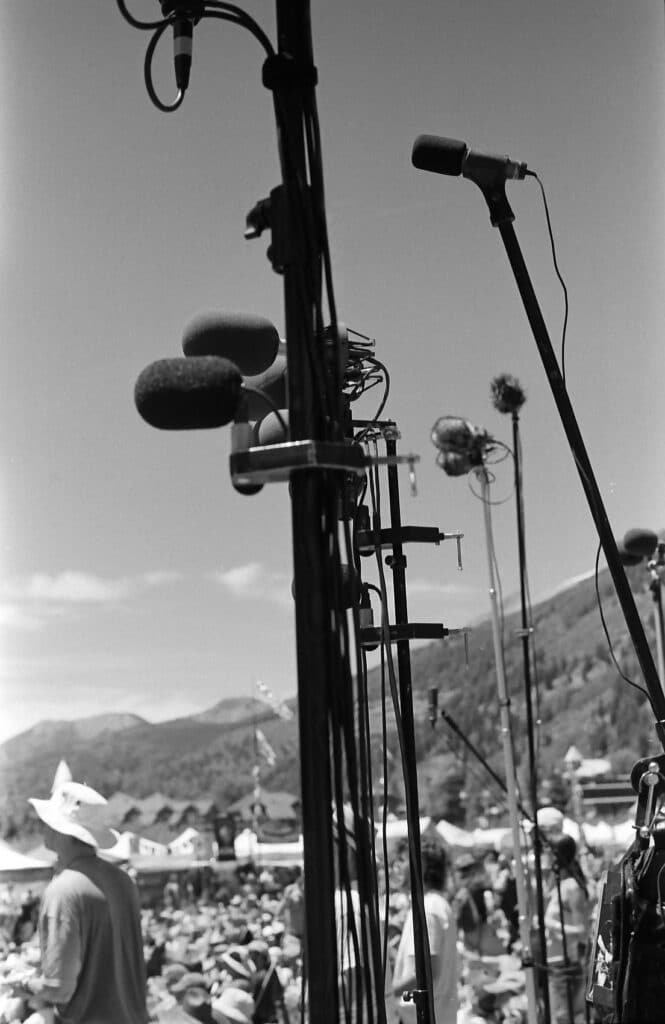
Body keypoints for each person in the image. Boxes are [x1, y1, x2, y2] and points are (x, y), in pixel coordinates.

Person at [19, 778, 149, 1024]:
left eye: (47, 822)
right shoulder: (123, 882)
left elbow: (60, 988)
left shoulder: (63, 890)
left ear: (62, 831)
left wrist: (24, 984)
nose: (43, 827)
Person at [392, 835, 458, 1024]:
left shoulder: (428, 908)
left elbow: (424, 972)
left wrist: (385, 993)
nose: (397, 867)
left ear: (421, 864)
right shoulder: (433, 904)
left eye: (402, 860)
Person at [544, 834, 592, 1024]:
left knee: (565, 1018)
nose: (545, 856)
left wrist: (552, 925)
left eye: (548, 852)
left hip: (566, 965)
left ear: (557, 855)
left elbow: (582, 930)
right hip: (558, 963)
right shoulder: (560, 884)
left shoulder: (572, 887)